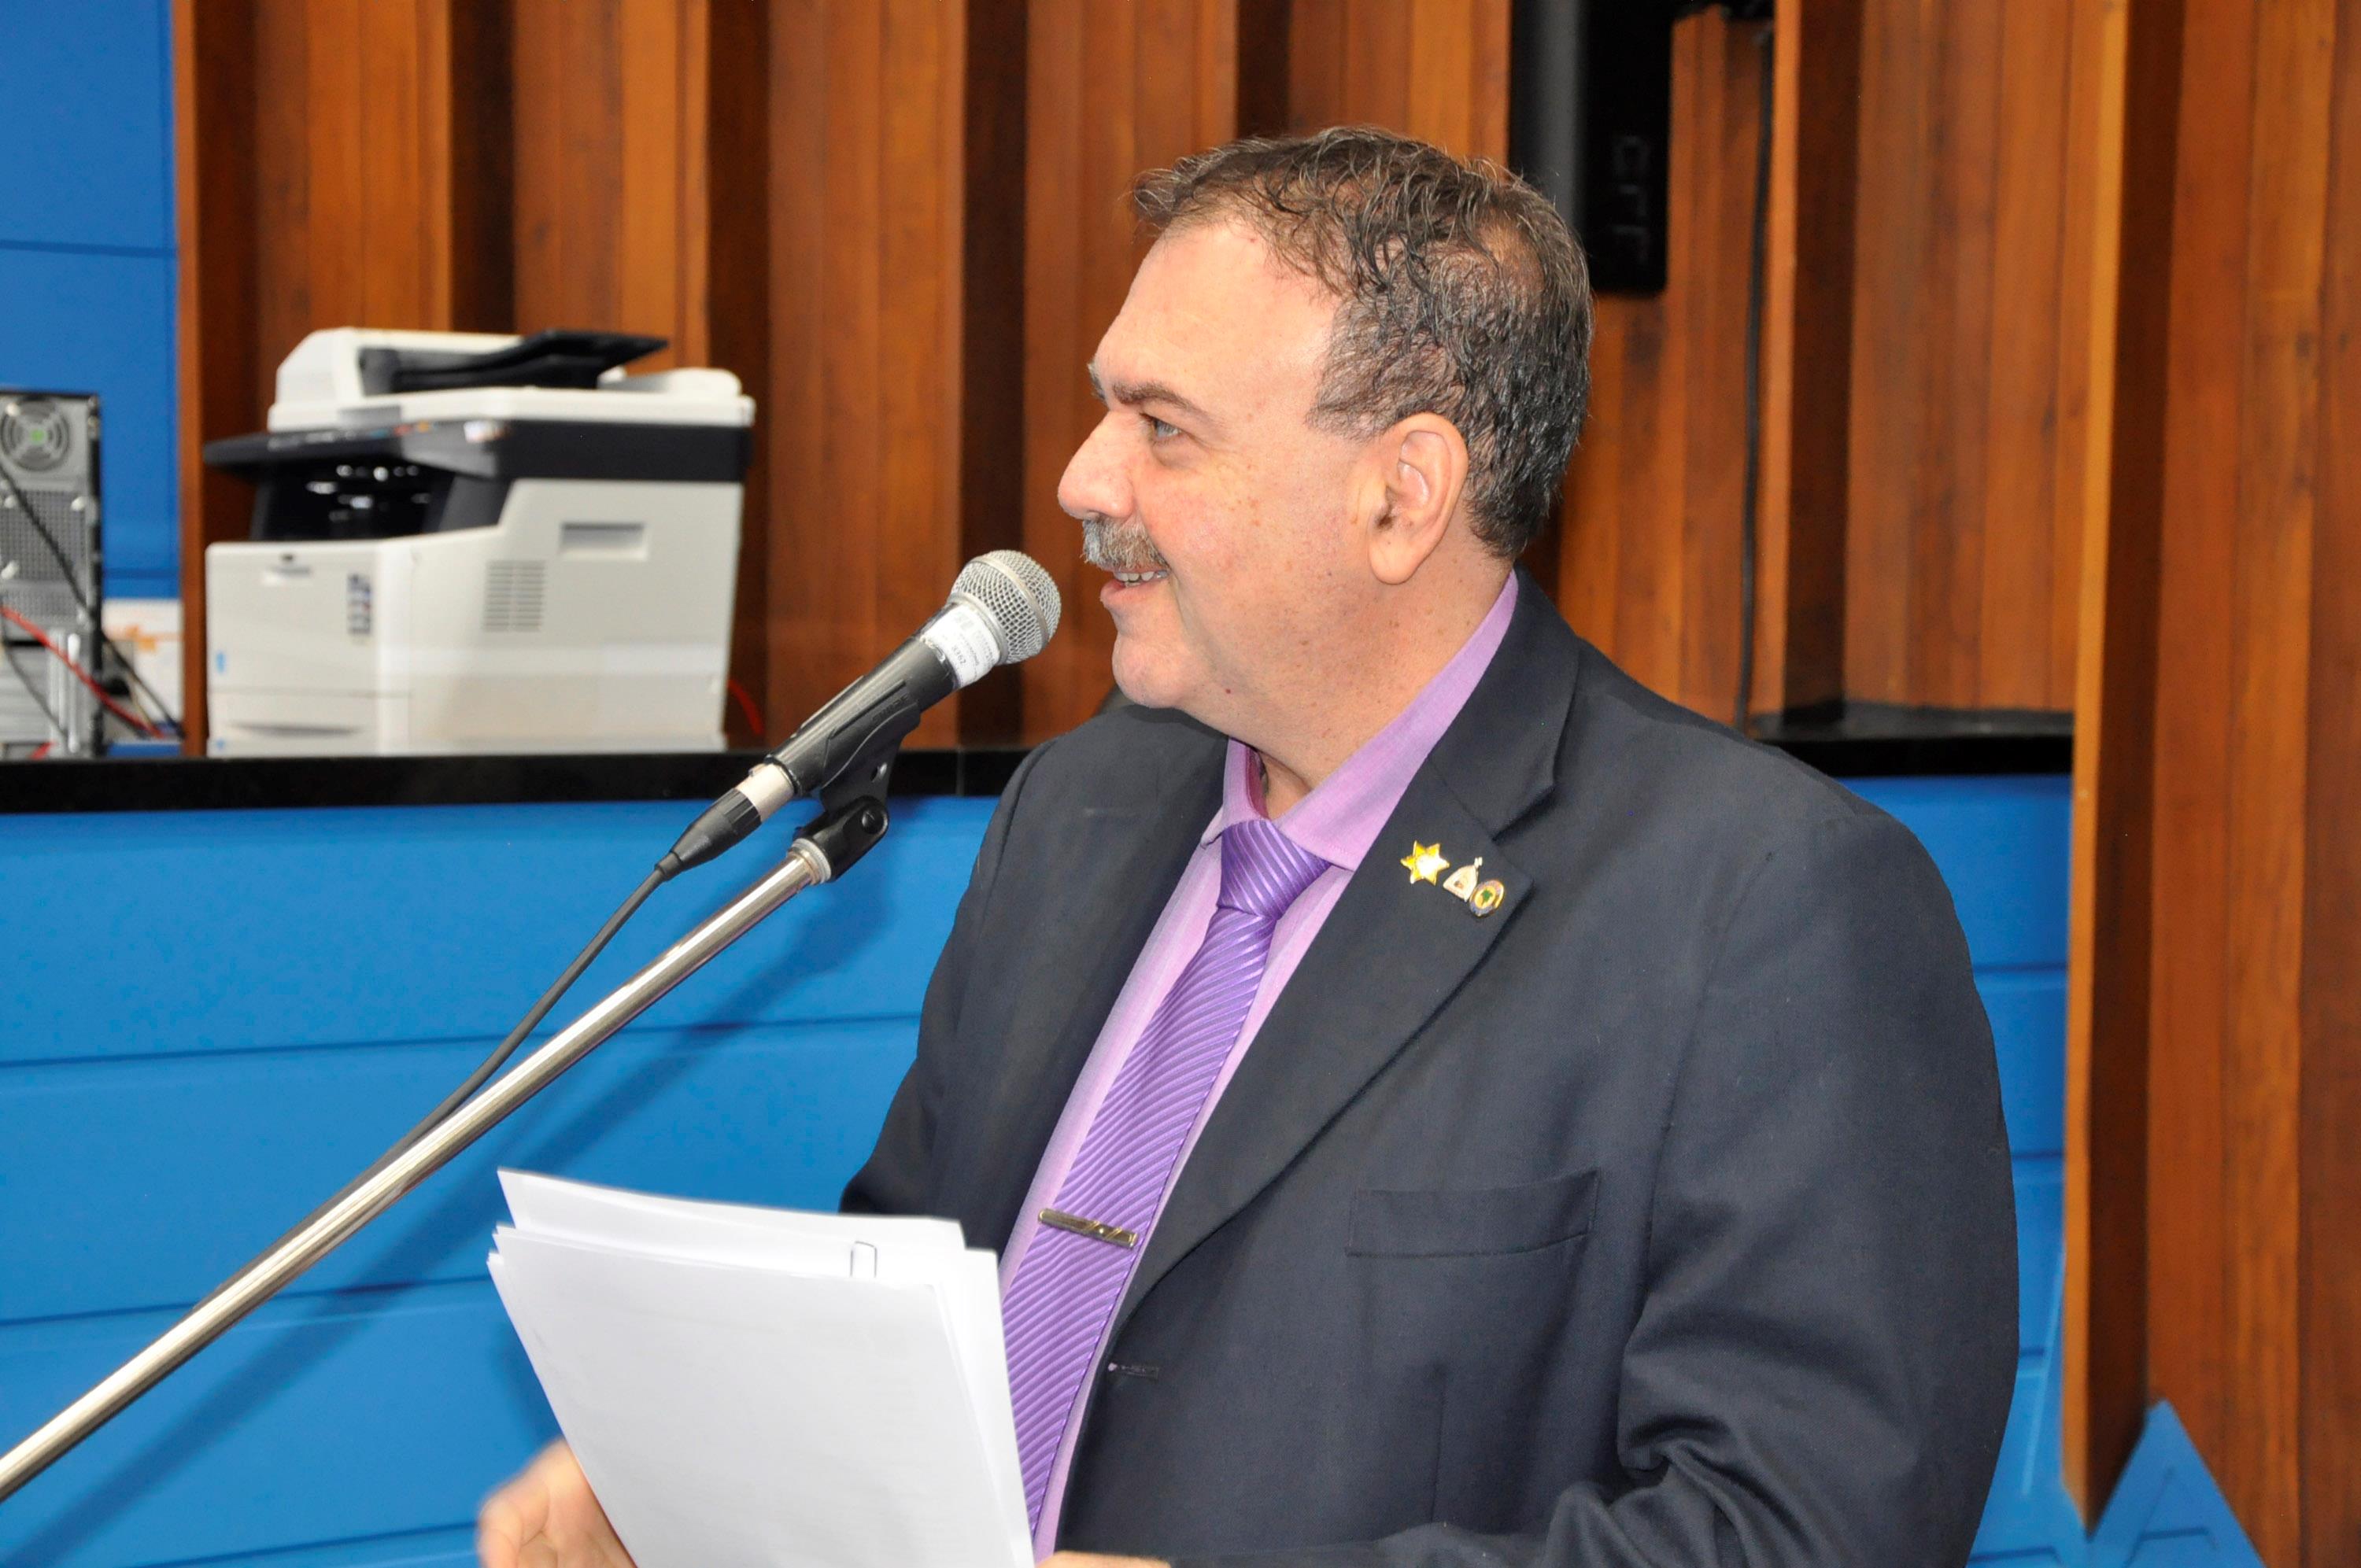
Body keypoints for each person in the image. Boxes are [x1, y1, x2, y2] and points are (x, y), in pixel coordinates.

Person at [479, 127, 2017, 1568]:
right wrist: (701, 1481)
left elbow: (1808, 1525)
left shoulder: (1761, 906)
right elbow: (902, 1305)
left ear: (1401, 496)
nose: (1084, 481)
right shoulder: (1078, 810)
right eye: (1108, 409)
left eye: (1164, 428)